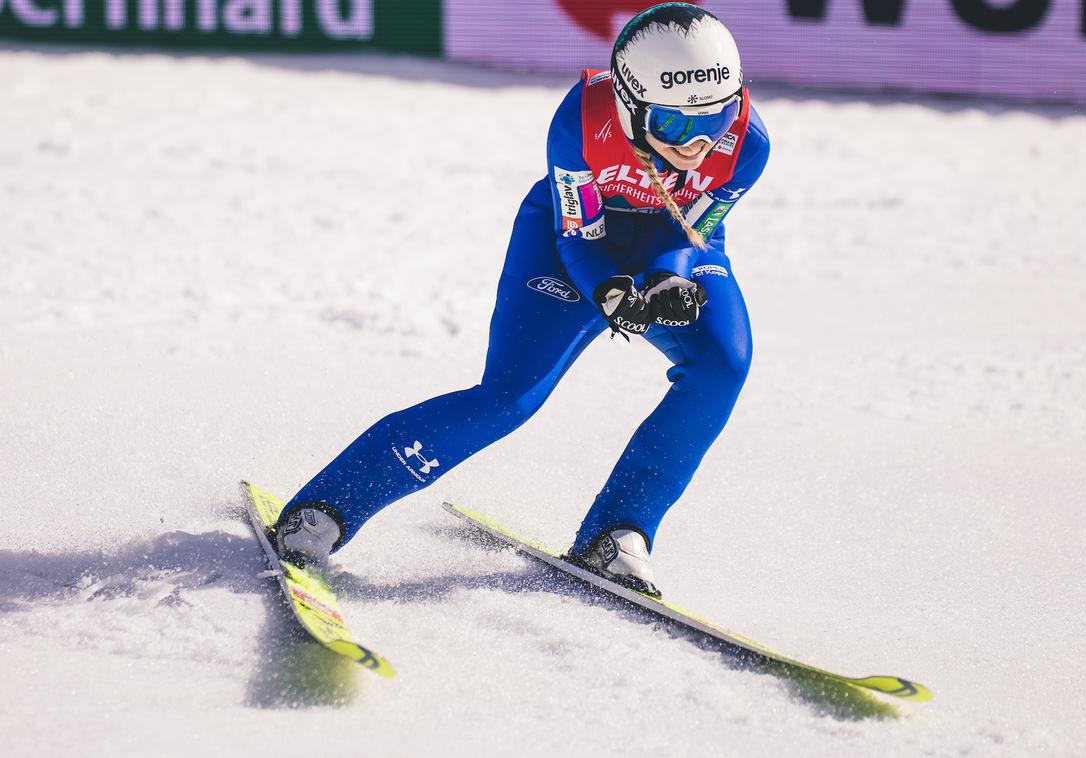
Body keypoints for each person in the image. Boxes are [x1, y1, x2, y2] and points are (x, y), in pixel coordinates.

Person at [274, 3, 770, 598]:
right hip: (574, 236)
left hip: (678, 243)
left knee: (723, 366)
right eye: (672, 126)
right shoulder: (583, 120)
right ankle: (326, 508)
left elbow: (686, 229)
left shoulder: (748, 142)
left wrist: (668, 279)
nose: (695, 145)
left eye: (713, 120)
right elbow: (579, 236)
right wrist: (610, 291)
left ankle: (619, 532)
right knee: (508, 398)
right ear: (630, 103)